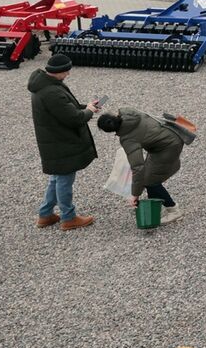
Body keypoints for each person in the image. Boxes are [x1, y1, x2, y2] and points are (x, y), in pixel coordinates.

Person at [30, 53, 99, 230]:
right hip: (61, 143)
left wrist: (86, 107)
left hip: (54, 141)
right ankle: (69, 217)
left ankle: (45, 215)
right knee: (64, 180)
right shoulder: (52, 92)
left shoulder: (46, 85)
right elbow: (74, 118)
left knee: (56, 179)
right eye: (67, 71)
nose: (68, 74)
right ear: (59, 71)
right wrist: (89, 112)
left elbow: (65, 109)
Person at [97, 108, 186, 223]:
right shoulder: (129, 112)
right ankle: (154, 207)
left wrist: (135, 194)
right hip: (172, 134)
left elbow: (138, 168)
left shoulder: (128, 139)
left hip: (168, 147)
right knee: (149, 176)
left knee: (150, 182)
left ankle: (174, 211)